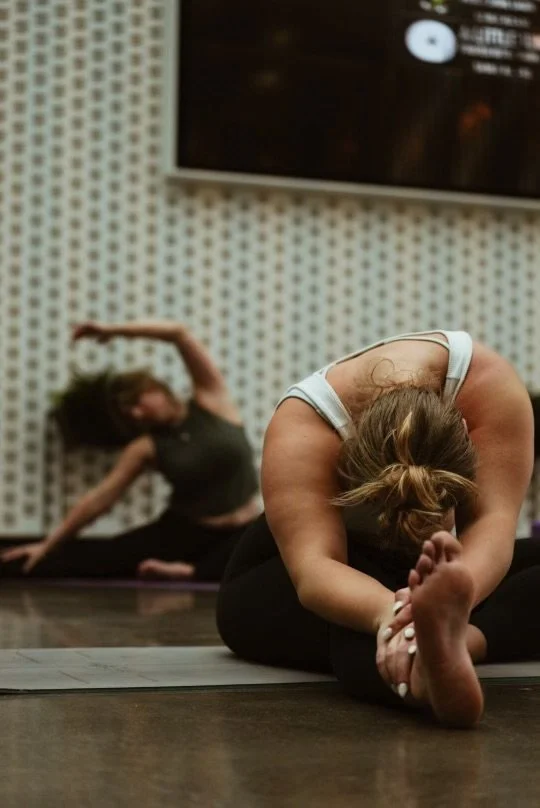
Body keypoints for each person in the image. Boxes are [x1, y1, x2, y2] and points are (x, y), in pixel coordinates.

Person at [216, 329, 536, 728]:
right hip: (294, 577)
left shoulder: (489, 387)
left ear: (466, 428)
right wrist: (397, 613)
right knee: (350, 624)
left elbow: (492, 525)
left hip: (415, 573)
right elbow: (315, 569)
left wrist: (451, 601)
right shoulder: (304, 425)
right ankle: (423, 677)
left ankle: (457, 642)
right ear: (348, 455)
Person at [0, 320, 261, 581]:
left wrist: (110, 331)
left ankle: (195, 572)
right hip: (185, 533)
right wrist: (47, 546)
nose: (137, 413)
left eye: (136, 402)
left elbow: (178, 333)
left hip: (244, 531)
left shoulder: (212, 400)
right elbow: (100, 498)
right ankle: (199, 570)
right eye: (130, 414)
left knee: (270, 552)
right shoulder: (146, 447)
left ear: (152, 388)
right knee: (87, 560)